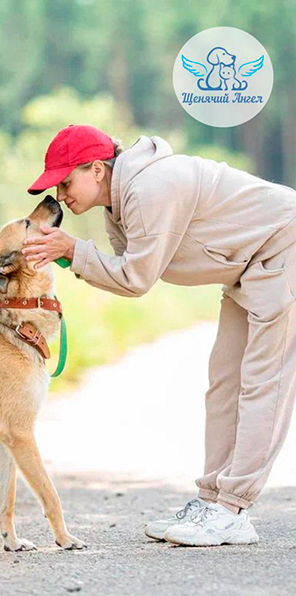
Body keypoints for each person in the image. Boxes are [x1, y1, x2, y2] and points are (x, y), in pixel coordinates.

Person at [22, 123, 296, 547]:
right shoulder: (119, 204)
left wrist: (73, 250)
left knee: (263, 382)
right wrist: (69, 255)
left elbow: (136, 277)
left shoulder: (150, 186)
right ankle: (212, 502)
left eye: (65, 181)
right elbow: (124, 270)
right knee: (224, 381)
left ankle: (233, 510)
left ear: (96, 169)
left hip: (284, 245)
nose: (60, 195)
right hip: (248, 265)